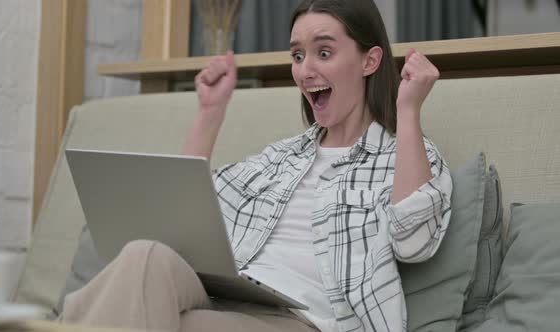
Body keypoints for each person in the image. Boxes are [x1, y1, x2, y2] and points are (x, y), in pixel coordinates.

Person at [63, 0, 452, 331]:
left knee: (161, 321)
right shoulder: (282, 158)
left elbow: (413, 241)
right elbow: (181, 221)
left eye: (324, 52)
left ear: (370, 60)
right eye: (297, 55)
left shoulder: (406, 155)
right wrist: (210, 112)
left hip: (305, 320)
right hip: (233, 297)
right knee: (146, 255)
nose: (305, 69)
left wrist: (408, 109)